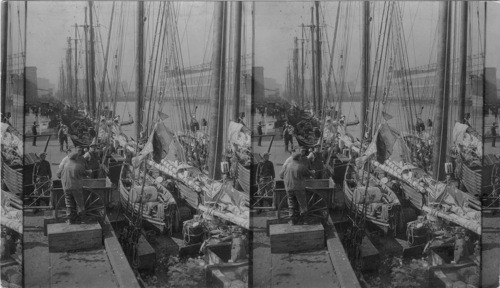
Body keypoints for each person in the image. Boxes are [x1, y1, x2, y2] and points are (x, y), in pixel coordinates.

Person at [279, 152, 313, 225]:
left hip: (288, 188)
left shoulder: (286, 166)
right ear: (299, 158)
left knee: (291, 204)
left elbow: (281, 175)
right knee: (302, 204)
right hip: (298, 188)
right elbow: (308, 174)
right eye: (300, 157)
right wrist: (312, 172)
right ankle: (305, 221)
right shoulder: (301, 166)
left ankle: (292, 221)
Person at [56, 151, 90, 224]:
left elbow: (58, 174)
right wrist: (89, 171)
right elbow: (85, 173)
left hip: (66, 187)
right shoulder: (78, 165)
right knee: (79, 202)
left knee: (68, 203)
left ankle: (70, 220)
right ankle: (82, 219)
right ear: (76, 158)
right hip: (76, 187)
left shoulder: (65, 164)